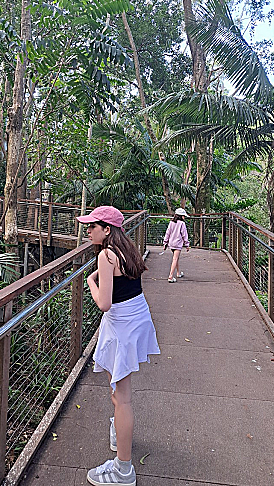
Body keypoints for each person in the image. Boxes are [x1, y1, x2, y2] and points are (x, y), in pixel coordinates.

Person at [77, 205, 160, 486]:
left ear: (107, 230)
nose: (88, 231)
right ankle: (119, 428)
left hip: (122, 326)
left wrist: (90, 280)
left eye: (92, 226)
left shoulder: (105, 255)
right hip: (136, 320)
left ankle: (124, 469)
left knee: (122, 398)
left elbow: (104, 303)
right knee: (118, 392)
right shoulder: (129, 250)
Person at [163, 208, 190, 283]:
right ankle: (170, 277)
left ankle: (178, 273)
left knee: (176, 258)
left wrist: (165, 242)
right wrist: (187, 244)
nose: (184, 217)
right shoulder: (182, 224)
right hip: (177, 244)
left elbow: (167, 233)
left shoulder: (171, 222)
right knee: (175, 259)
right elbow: (184, 235)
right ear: (181, 216)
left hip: (171, 243)